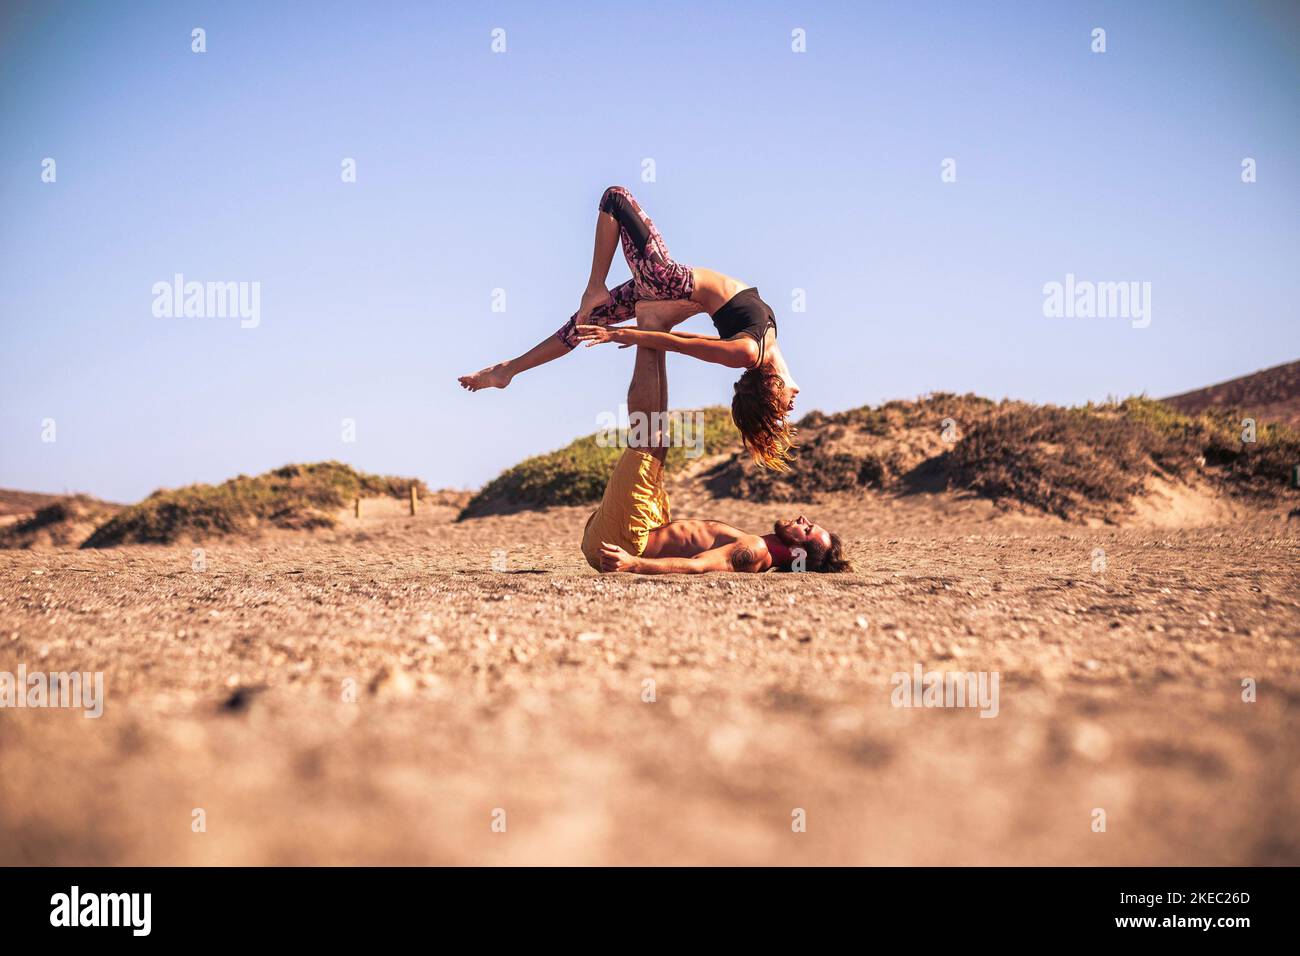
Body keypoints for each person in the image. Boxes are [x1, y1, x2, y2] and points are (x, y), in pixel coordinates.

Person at [459, 186, 800, 469]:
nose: (790, 406)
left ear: (770, 389)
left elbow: (680, 343)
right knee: (582, 324)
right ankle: (508, 370)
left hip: (664, 279)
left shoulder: (747, 352)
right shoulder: (762, 351)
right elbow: (694, 342)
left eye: (781, 408)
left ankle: (594, 285)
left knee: (614, 199)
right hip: (664, 291)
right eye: (786, 410)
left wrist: (624, 334)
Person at [580, 301, 849, 575]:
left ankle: (650, 329)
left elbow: (698, 566)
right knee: (657, 440)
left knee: (648, 437)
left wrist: (633, 564)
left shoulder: (754, 551)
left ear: (798, 553)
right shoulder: (759, 546)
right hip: (644, 526)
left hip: (625, 540)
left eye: (808, 529)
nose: (804, 519)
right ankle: (652, 330)